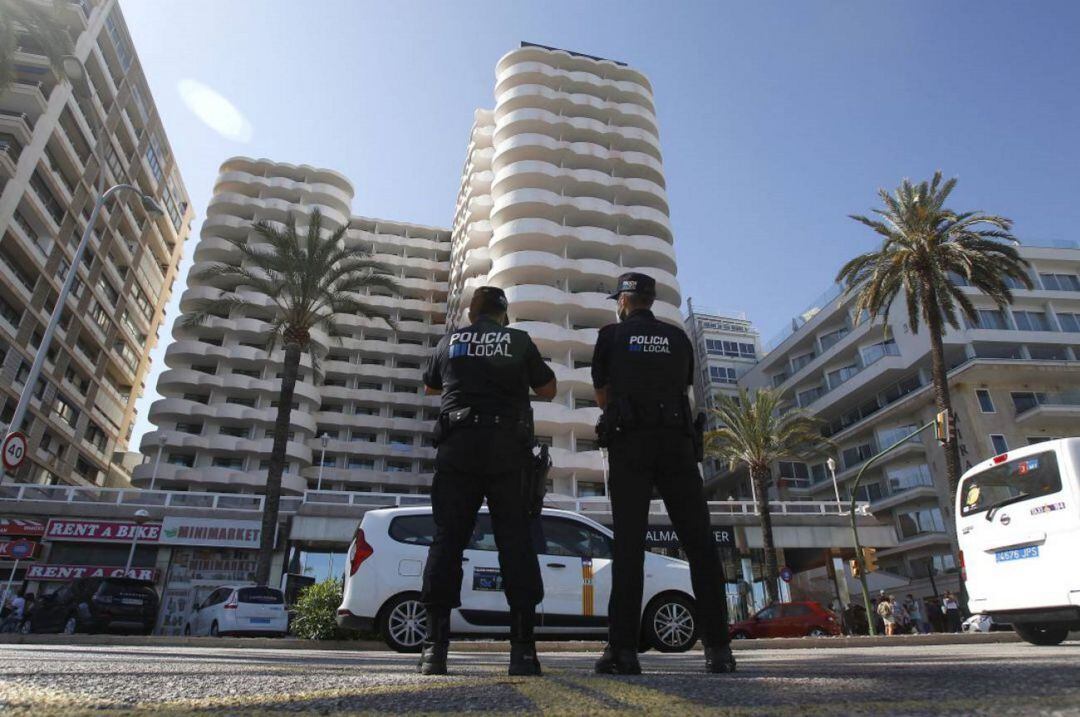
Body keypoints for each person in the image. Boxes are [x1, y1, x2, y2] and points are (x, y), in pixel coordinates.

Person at [590, 272, 735, 675]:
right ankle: (719, 650)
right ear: (651, 301)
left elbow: (603, 395)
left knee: (629, 546)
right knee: (700, 545)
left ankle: (623, 651)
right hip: (676, 443)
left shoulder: (610, 337)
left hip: (630, 443)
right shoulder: (677, 338)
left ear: (623, 301)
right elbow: (684, 389)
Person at [419, 286, 557, 676]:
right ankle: (523, 652)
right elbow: (547, 388)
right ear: (504, 315)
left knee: (447, 540)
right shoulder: (517, 340)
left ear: (471, 313)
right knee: (515, 541)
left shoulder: (451, 341)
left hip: (458, 448)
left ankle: (434, 651)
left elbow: (432, 385)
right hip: (507, 452)